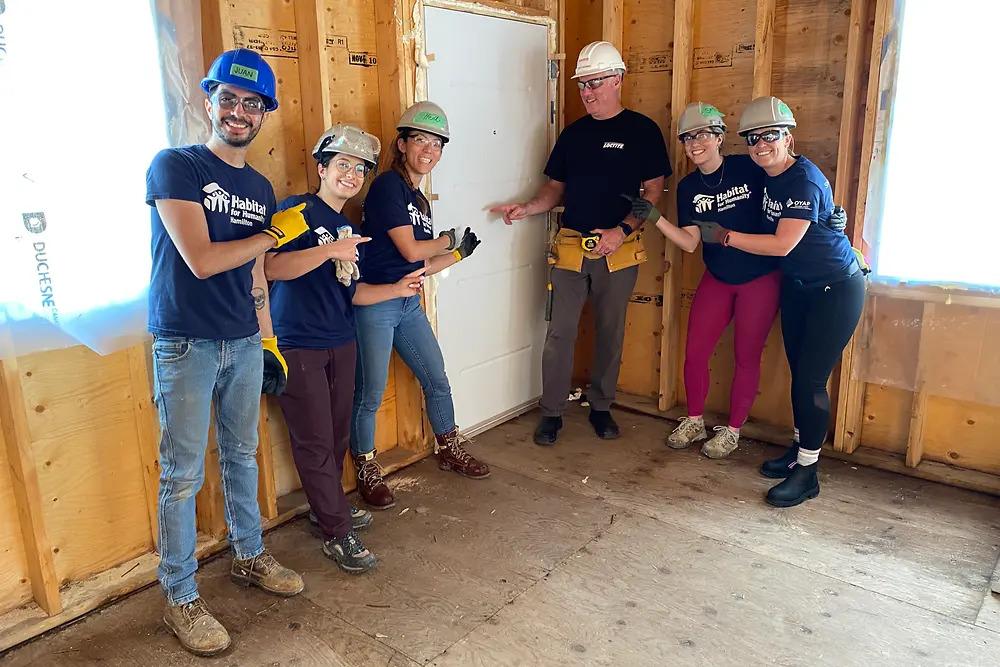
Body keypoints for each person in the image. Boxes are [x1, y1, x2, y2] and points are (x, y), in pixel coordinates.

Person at [145, 48, 308, 656]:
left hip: (241, 341)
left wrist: (268, 341)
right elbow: (204, 260)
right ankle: (180, 597)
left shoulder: (259, 185)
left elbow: (257, 276)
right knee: (182, 476)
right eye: (229, 100)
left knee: (243, 456)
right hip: (185, 342)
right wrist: (269, 234)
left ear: (264, 112)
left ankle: (249, 557)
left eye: (252, 103)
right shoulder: (176, 166)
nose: (239, 112)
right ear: (209, 100)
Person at [492, 40, 670, 446]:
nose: (587, 92)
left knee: (610, 332)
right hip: (572, 247)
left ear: (618, 80)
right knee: (560, 333)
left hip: (620, 248)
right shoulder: (574, 135)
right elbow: (554, 190)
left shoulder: (642, 131)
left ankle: (602, 407)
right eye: (582, 85)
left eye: (595, 82)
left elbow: (654, 192)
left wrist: (620, 231)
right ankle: (552, 412)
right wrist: (527, 208)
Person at [694, 96, 865, 507]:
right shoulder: (769, 175)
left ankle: (808, 473)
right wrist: (830, 213)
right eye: (752, 139)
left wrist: (725, 236)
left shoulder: (800, 178)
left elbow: (784, 243)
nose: (759, 146)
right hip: (799, 287)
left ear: (788, 136)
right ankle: (799, 452)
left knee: (810, 381)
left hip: (834, 288)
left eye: (769, 136)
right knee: (799, 375)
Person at [265, 124, 399, 573]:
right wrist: (329, 252)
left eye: (360, 168)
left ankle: (330, 511)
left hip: (341, 340)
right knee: (314, 439)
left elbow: (353, 293)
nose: (352, 174)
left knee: (337, 434)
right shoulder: (296, 212)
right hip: (298, 344)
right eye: (343, 164)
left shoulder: (348, 226)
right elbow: (271, 267)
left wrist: (398, 287)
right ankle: (338, 532)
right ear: (322, 168)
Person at [350, 101, 489, 510]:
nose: (429, 150)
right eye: (421, 140)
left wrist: (459, 254)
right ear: (403, 143)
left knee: (437, 378)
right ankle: (366, 468)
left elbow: (419, 263)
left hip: (408, 301)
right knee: (370, 394)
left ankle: (449, 446)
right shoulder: (387, 187)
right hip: (375, 302)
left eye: (437, 144)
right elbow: (410, 246)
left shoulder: (419, 200)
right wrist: (448, 238)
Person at [629, 102, 780, 459]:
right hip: (719, 277)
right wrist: (655, 218)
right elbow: (691, 242)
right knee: (695, 351)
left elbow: (788, 188)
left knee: (746, 357)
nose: (694, 143)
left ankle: (732, 431)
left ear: (719, 137)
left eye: (701, 135)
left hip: (760, 278)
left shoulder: (749, 168)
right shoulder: (689, 187)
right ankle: (695, 420)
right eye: (687, 137)